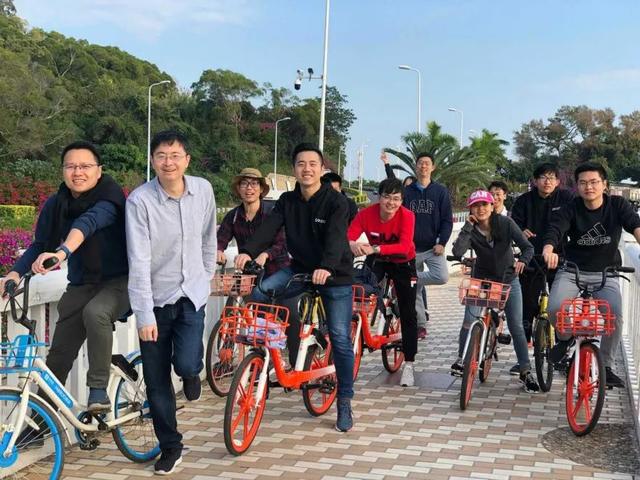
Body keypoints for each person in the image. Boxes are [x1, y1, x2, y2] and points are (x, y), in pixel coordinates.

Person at [0, 141, 129, 413]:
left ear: (99, 170)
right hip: (82, 284)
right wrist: (14, 273)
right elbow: (39, 244)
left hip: (119, 282)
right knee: (58, 356)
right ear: (63, 171)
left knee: (96, 312)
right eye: (71, 166)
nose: (77, 172)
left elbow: (88, 222)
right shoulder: (57, 203)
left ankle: (98, 391)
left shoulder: (110, 197)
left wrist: (62, 253)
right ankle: (41, 422)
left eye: (85, 166)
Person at [235, 143, 355, 433]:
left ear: (322, 168)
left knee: (340, 337)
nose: (307, 169)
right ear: (294, 169)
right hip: (300, 269)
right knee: (260, 293)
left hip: (334, 274)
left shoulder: (336, 201)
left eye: (313, 164)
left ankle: (345, 401)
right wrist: (249, 251)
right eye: (301, 164)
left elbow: (336, 238)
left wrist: (327, 267)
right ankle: (269, 356)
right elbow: (268, 229)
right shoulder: (287, 200)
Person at [126, 130, 217, 475]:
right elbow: (138, 260)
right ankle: (171, 446)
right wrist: (144, 314)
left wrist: (205, 277)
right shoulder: (140, 201)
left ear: (187, 160)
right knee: (156, 381)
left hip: (191, 295)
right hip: (155, 301)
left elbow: (209, 237)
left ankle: (191, 373)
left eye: (175, 155)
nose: (169, 162)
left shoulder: (203, 190)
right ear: (153, 160)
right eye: (162, 156)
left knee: (188, 363)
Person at [543, 162, 640, 389]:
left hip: (606, 273)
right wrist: (548, 249)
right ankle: (565, 339)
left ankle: (605, 365)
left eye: (594, 182)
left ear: (604, 184)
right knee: (555, 308)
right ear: (577, 186)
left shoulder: (617, 205)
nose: (589, 187)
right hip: (572, 271)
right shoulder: (571, 207)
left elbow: (634, 224)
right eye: (583, 183)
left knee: (614, 316)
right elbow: (556, 229)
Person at [451, 190, 540, 393]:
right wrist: (467, 226)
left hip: (508, 280)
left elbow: (528, 248)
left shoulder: (506, 223)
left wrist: (522, 261)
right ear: (470, 209)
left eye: (485, 204)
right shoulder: (471, 229)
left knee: (516, 327)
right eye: (475, 206)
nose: (481, 209)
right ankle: (462, 360)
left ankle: (525, 371)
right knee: (469, 321)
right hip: (481, 281)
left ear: (492, 206)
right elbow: (457, 251)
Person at [347, 178, 418, 387]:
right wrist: (352, 244)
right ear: (379, 197)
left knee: (408, 311)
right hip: (377, 259)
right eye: (387, 197)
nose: (391, 203)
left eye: (396, 199)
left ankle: (409, 363)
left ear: (402, 201)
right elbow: (349, 235)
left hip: (403, 262)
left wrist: (375, 248)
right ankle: (359, 332)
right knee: (359, 293)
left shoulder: (407, 216)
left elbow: (404, 246)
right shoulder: (366, 214)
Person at [510, 163, 574, 374]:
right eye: (543, 177)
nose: (548, 182)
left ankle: (564, 352)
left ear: (558, 181)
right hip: (532, 258)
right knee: (527, 306)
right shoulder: (524, 201)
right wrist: (521, 232)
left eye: (552, 177)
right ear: (535, 181)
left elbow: (574, 221)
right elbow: (513, 225)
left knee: (561, 306)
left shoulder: (566, 199)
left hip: (560, 258)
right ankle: (523, 359)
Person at [381, 151, 452, 339]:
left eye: (427, 163)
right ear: (416, 166)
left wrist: (442, 242)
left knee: (441, 276)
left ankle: (408, 278)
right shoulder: (407, 192)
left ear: (433, 167)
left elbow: (447, 220)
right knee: (416, 291)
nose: (423, 166)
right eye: (420, 163)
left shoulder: (440, 192)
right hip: (409, 248)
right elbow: (395, 211)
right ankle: (420, 325)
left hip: (432, 248)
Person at [217, 167, 289, 276]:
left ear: (261, 189)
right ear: (238, 189)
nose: (249, 188)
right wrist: (219, 250)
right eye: (244, 184)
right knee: (233, 287)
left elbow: (281, 243)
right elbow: (221, 239)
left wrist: (265, 255)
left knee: (263, 287)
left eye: (254, 183)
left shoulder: (273, 213)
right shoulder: (233, 216)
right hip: (250, 273)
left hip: (276, 271)